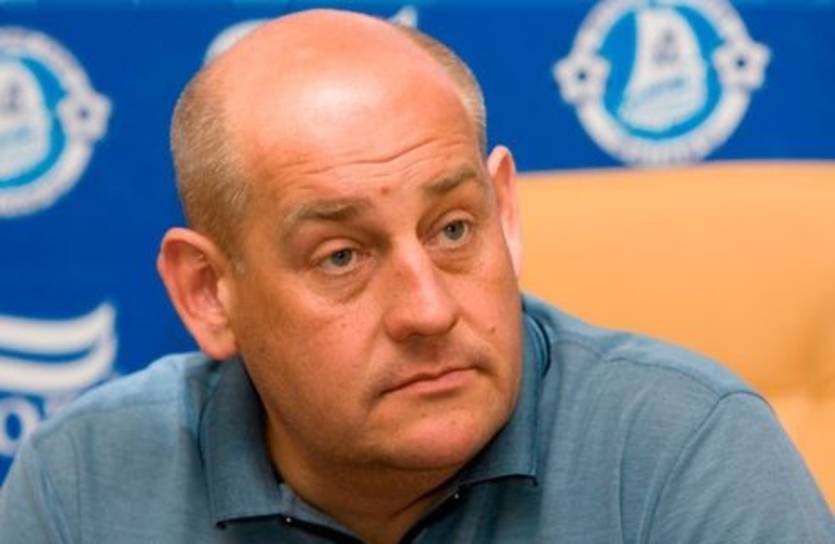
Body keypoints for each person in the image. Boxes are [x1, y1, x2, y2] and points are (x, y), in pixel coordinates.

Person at [0, 9, 832, 543]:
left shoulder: (683, 453)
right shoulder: (85, 486)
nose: (429, 310)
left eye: (453, 230)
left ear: (505, 217)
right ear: (208, 293)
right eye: (341, 256)